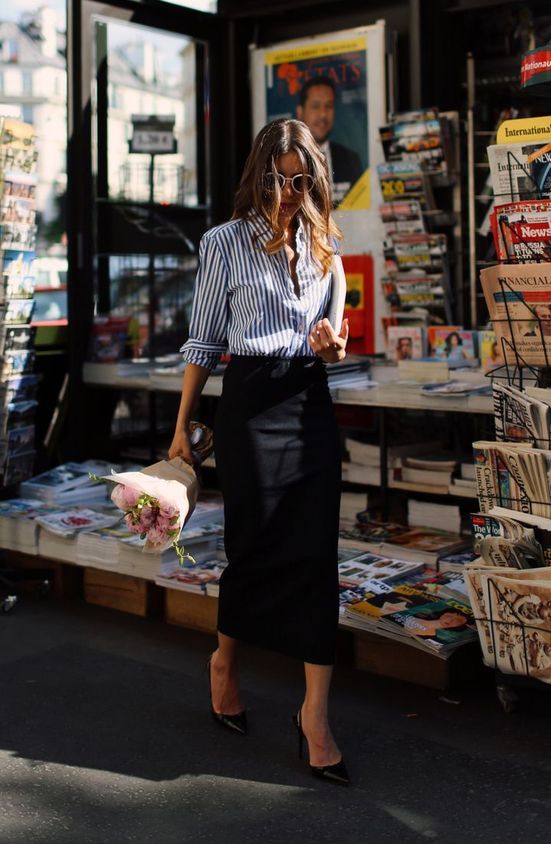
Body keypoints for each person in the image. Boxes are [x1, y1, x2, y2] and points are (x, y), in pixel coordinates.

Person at [169, 118, 350, 785]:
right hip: (247, 403)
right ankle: (224, 662)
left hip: (307, 401)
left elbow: (340, 329)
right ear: (259, 174)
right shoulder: (223, 243)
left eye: (302, 181)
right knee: (252, 548)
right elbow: (202, 344)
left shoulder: (326, 241)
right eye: (280, 180)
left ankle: (315, 716)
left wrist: (333, 343)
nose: (290, 193)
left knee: (315, 556)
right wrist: (180, 427)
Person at [296, 76, 363, 204]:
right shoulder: (287, 160)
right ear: (300, 112)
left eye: (329, 106)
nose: (323, 114)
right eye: (315, 106)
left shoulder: (351, 160)